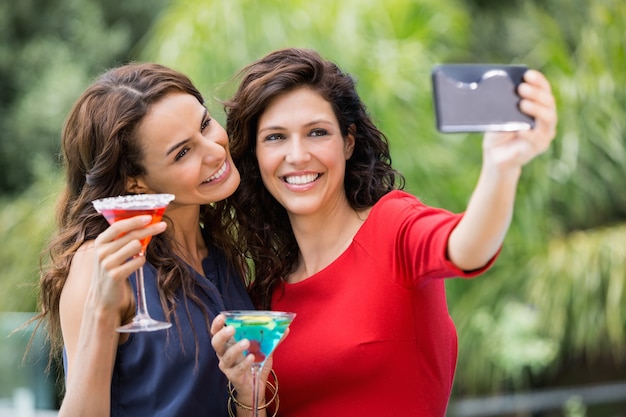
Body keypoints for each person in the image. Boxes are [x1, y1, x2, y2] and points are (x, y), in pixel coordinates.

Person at [211, 48, 557, 416]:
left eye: (317, 132)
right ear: (256, 156)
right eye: (275, 137)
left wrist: (501, 168)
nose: (297, 155)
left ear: (348, 142)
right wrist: (249, 396)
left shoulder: (392, 228)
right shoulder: (264, 296)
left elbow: (468, 245)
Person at [34, 62, 259, 417]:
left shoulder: (221, 254)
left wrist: (250, 392)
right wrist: (102, 312)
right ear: (135, 183)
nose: (215, 150)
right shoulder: (102, 262)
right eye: (183, 152)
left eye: (204, 124)